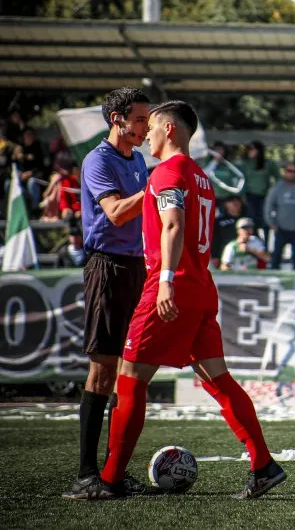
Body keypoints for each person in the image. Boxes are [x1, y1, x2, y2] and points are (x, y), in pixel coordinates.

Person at [77, 100, 287, 500]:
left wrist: (167, 281)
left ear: (169, 129)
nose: (148, 135)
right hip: (202, 287)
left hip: (170, 284)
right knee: (218, 379)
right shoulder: (201, 176)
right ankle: (263, 464)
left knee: (130, 379)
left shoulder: (167, 172)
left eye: (152, 127)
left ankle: (108, 478)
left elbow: (172, 225)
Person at [63, 88, 151, 500]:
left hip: (137, 268)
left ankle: (113, 472)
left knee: (127, 373)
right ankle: (86, 474)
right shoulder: (98, 160)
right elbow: (115, 212)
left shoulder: (139, 160)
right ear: (116, 119)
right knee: (102, 370)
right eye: (138, 118)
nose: (146, 126)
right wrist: (157, 191)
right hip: (107, 267)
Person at [264, 162, 295, 270]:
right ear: (285, 172)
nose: (292, 174)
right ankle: (273, 283)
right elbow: (268, 207)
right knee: (275, 259)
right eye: (290, 171)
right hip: (280, 229)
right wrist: (272, 224)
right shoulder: (276, 188)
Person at [241, 140, 277, 240]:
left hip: (265, 196)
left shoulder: (268, 164)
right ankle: (253, 244)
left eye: (253, 149)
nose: (251, 151)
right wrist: (242, 195)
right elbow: (241, 180)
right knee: (251, 221)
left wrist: (273, 191)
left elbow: (278, 179)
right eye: (249, 149)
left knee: (265, 221)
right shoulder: (245, 164)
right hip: (250, 196)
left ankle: (265, 246)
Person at [14, 126, 48, 214]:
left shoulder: (38, 148)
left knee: (32, 183)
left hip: (36, 177)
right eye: (27, 135)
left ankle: (34, 210)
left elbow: (42, 167)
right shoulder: (19, 149)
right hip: (21, 178)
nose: (29, 137)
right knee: (9, 184)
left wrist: (31, 173)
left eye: (31, 135)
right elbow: (13, 166)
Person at [211, 195, 244, 269]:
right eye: (231, 201)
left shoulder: (247, 220)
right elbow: (215, 239)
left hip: (244, 255)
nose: (235, 203)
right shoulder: (218, 222)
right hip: (224, 257)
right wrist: (214, 256)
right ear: (225, 204)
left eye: (237, 200)